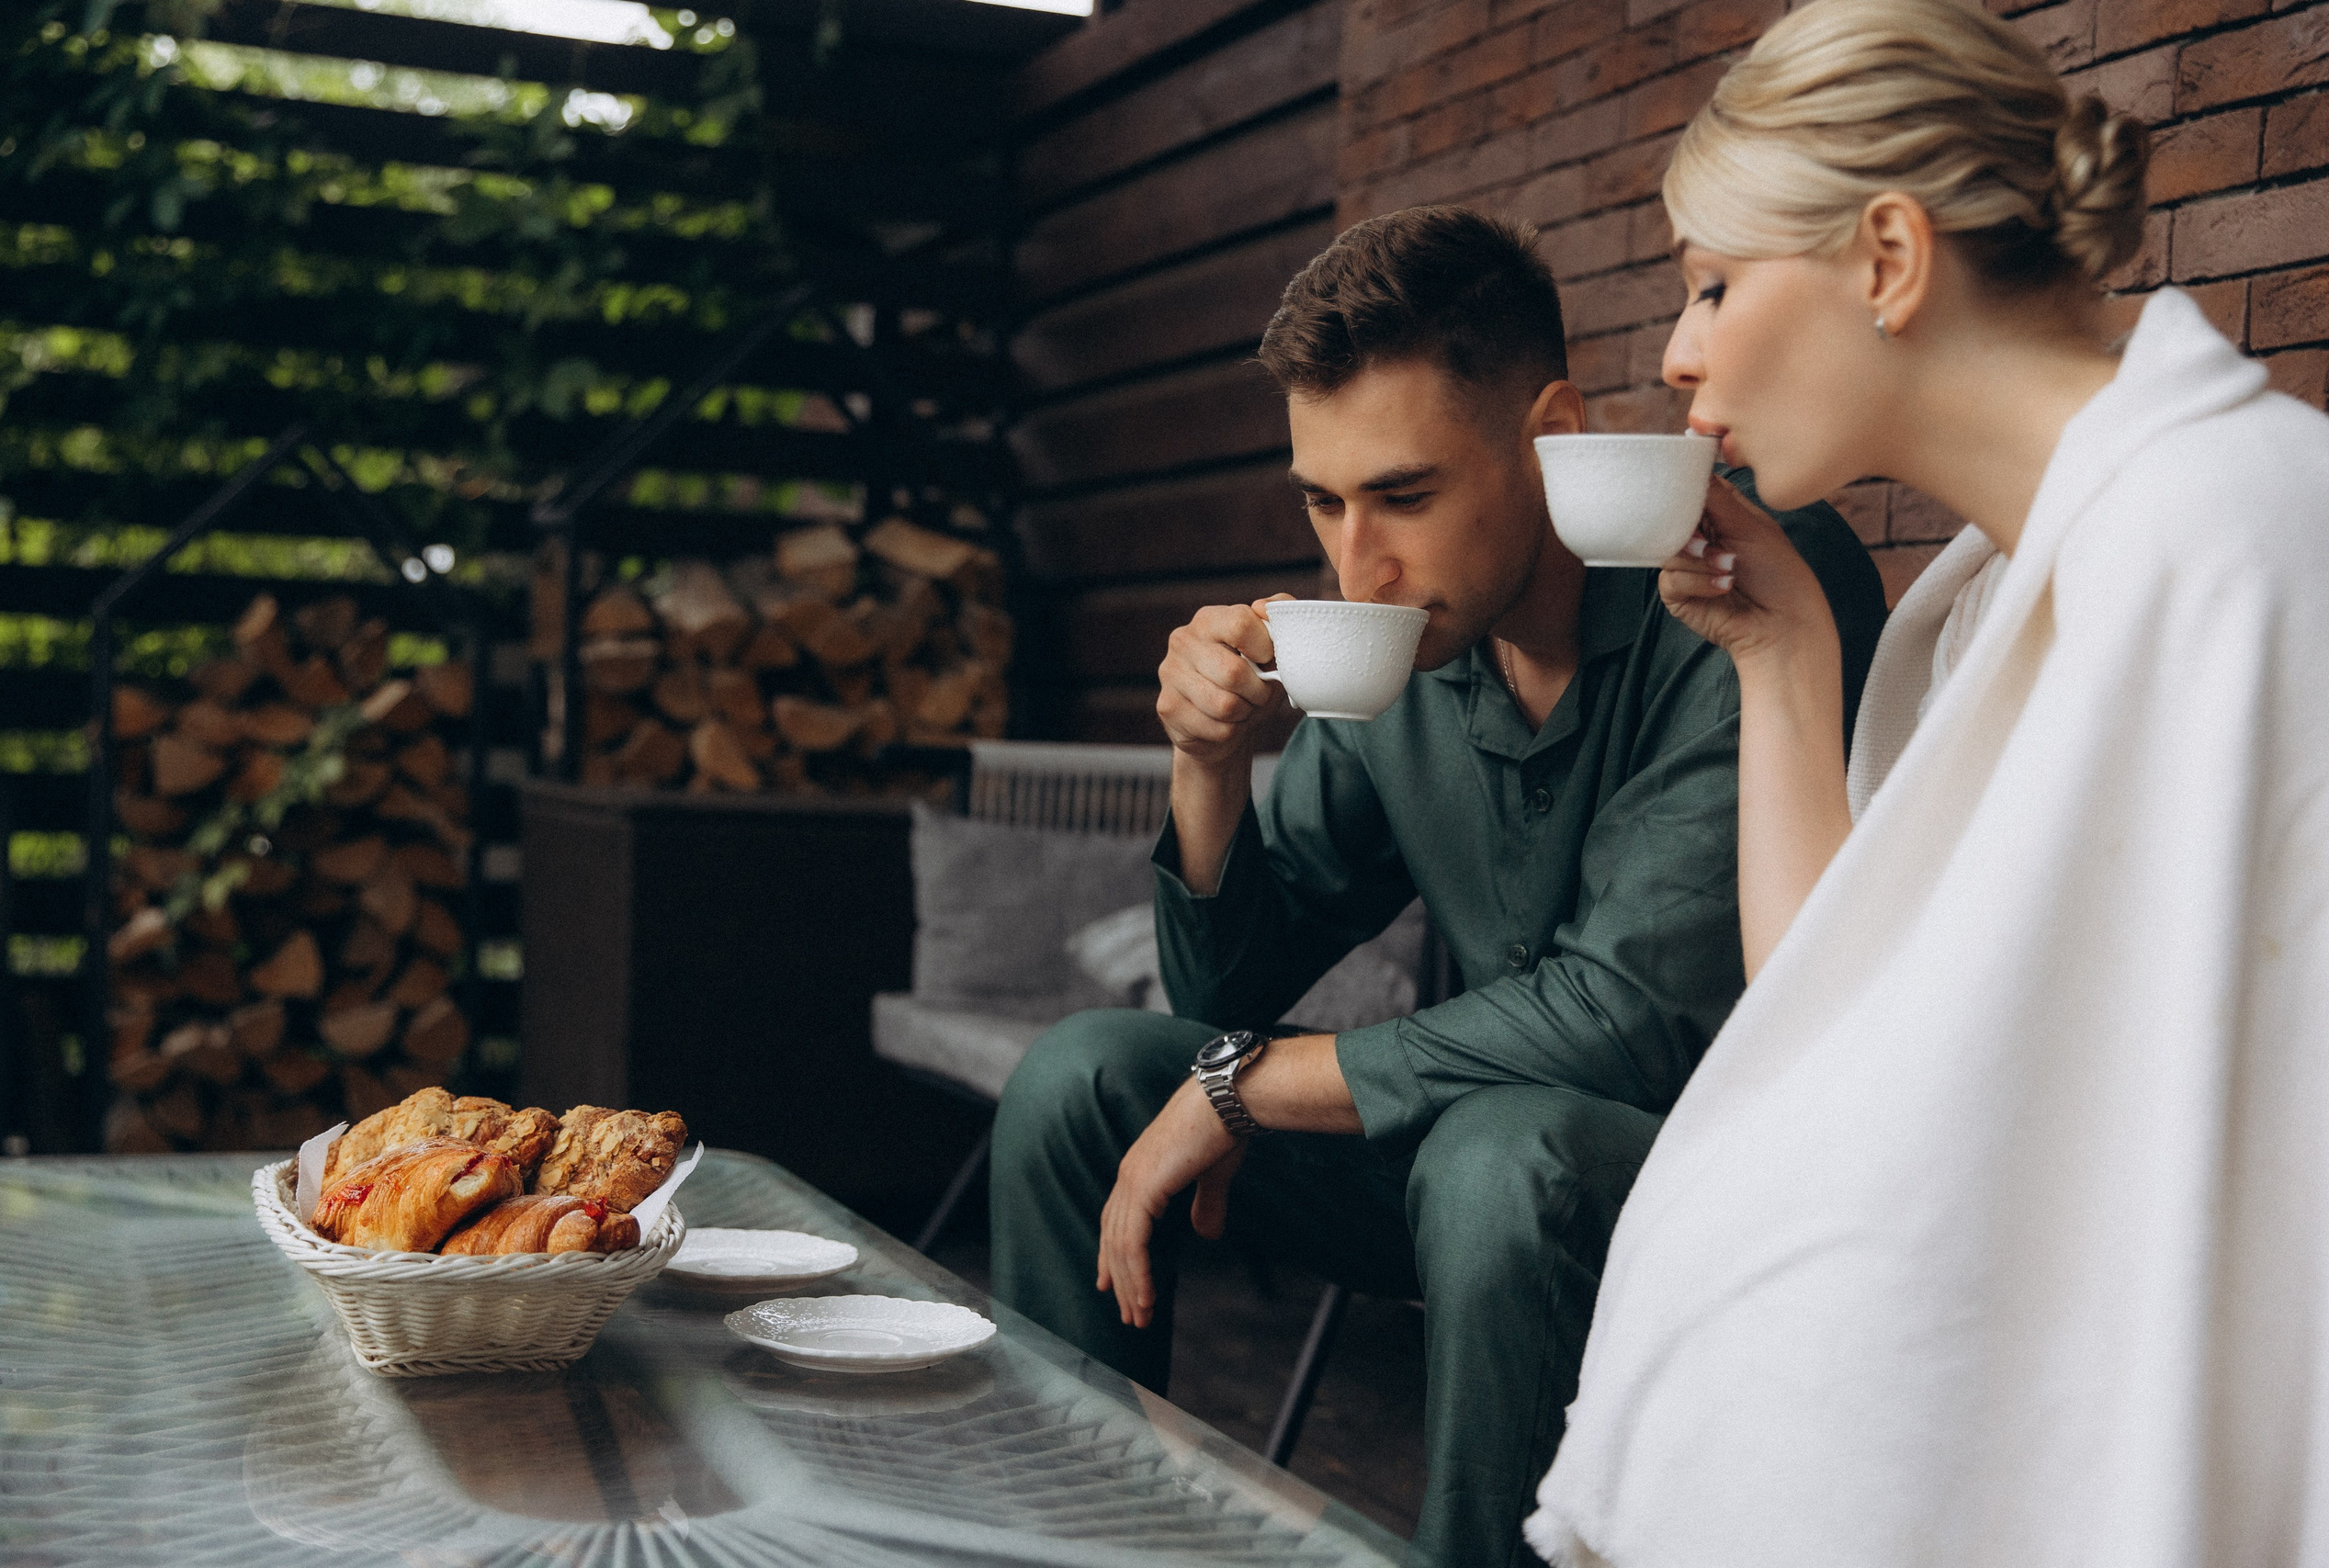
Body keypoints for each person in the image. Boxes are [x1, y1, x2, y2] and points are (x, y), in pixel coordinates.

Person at [1528, 1, 2329, 1562]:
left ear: (1887, 259)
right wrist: (1782, 661)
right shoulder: (1977, 599)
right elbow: (1832, 1017)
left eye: (1711, 283)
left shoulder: (2234, 542)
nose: (1679, 350)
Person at [989, 206, 1889, 1567]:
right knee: (1082, 1080)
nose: (1359, 564)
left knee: (1497, 1155)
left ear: (1554, 433)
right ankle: (1059, 1545)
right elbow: (1224, 991)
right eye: (1323, 502)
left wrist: (1244, 1087)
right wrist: (1208, 767)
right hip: (1458, 1177)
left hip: (1691, 1189)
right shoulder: (1404, 653)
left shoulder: (1737, 577)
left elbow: (1632, 1018)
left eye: (1404, 496)